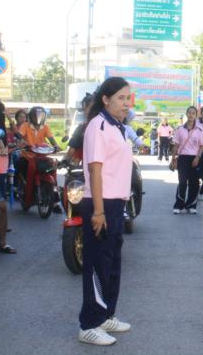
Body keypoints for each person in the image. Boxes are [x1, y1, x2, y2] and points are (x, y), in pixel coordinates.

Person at [78, 77, 133, 345]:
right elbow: (95, 169)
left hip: (116, 202)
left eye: (128, 98)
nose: (126, 103)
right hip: (101, 203)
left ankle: (106, 314)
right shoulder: (98, 126)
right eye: (121, 98)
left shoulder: (117, 126)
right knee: (97, 264)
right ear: (106, 99)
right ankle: (89, 324)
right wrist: (98, 212)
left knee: (112, 263)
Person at [16, 106, 60, 208]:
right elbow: (19, 136)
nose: (38, 118)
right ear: (31, 116)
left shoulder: (45, 127)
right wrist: (23, 143)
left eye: (40, 115)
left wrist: (56, 146)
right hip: (28, 156)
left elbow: (51, 139)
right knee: (20, 165)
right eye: (36, 115)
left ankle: (55, 201)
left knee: (52, 169)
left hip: (41, 157)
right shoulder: (25, 126)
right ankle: (24, 190)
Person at [170, 106, 203, 215]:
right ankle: (179, 205)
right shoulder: (180, 129)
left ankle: (191, 205)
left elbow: (202, 145)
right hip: (182, 158)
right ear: (186, 114)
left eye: (193, 113)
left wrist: (197, 157)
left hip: (194, 158)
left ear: (196, 115)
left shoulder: (199, 130)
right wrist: (173, 159)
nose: (191, 115)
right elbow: (176, 145)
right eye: (189, 113)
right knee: (182, 182)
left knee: (194, 183)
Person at [0, 102, 16, 254]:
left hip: (1, 169)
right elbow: (0, 148)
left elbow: (15, 134)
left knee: (2, 206)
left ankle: (2, 241)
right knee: (1, 206)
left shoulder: (0, 129)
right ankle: (2, 242)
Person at [64, 93, 94, 165]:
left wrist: (64, 161)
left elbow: (71, 150)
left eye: (84, 109)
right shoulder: (112, 125)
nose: (84, 112)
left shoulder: (83, 127)